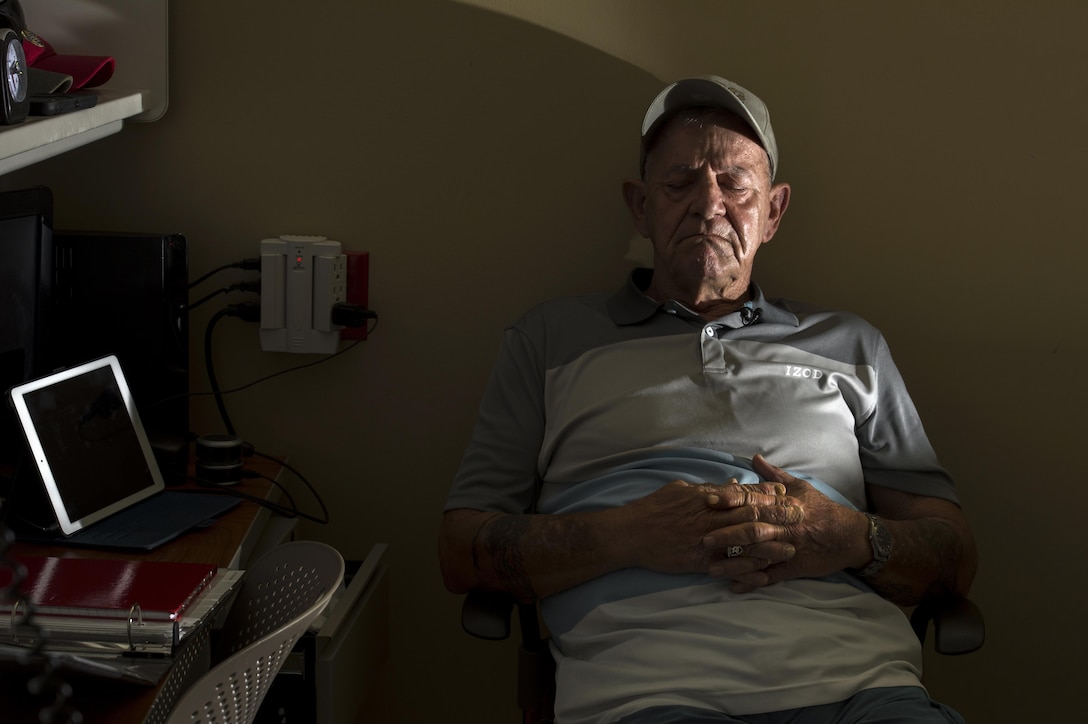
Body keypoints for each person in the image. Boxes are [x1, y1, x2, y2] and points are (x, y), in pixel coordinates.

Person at [439, 75, 978, 724]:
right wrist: (627, 535)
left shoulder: (850, 345)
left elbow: (954, 553)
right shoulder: (548, 341)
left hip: (863, 690)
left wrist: (849, 536)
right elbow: (461, 548)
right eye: (680, 182)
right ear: (640, 207)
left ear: (773, 211)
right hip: (646, 695)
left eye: (735, 183)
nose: (708, 204)